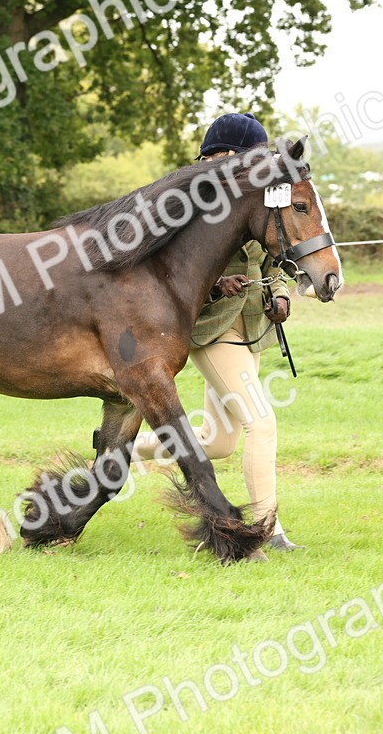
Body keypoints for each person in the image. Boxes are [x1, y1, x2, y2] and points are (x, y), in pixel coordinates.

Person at [132, 112, 303, 555]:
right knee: (262, 425)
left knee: (218, 441)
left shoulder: (256, 197)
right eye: (251, 158)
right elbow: (166, 273)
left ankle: (129, 450)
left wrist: (281, 293)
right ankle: (270, 529)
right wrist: (213, 285)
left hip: (252, 330)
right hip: (213, 331)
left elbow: (274, 255)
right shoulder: (191, 204)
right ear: (221, 156)